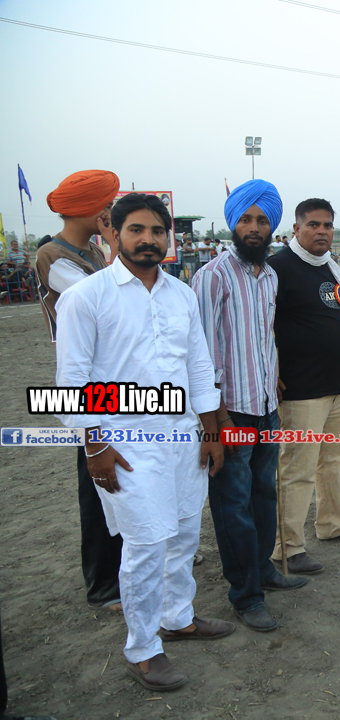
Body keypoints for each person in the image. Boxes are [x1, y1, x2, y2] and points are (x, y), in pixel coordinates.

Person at [55, 193, 233, 691]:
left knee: (183, 534)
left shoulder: (181, 294)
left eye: (157, 231)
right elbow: (72, 381)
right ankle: (143, 648)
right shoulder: (86, 297)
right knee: (146, 543)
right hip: (124, 443)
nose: (148, 239)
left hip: (182, 437)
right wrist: (94, 446)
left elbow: (198, 365)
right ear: (113, 233)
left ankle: (178, 618)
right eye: (136, 229)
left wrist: (210, 431)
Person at [192, 179, 308, 634]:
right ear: (233, 224)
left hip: (264, 405)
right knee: (233, 504)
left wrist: (272, 375)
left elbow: (264, 338)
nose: (254, 228)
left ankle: (263, 571)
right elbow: (200, 355)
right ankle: (245, 595)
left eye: (262, 220)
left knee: (264, 495)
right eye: (246, 219)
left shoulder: (270, 276)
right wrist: (216, 419)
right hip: (230, 412)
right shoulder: (212, 276)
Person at [267, 199, 340, 575]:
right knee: (297, 469)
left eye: (327, 225)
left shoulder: (329, 266)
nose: (322, 231)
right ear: (296, 229)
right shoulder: (279, 268)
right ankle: (287, 547)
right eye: (313, 225)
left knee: (333, 460)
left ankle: (333, 524)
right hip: (301, 390)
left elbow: (337, 315)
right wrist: (271, 369)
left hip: (337, 384)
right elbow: (262, 325)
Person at [34, 170, 124, 613]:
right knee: (97, 483)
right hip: (85, 380)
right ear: (91, 209)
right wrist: (115, 246)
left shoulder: (89, 249)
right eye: (107, 205)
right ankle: (104, 585)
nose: (111, 212)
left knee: (126, 474)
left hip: (116, 377)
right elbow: (108, 298)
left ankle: (132, 558)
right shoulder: (52, 256)